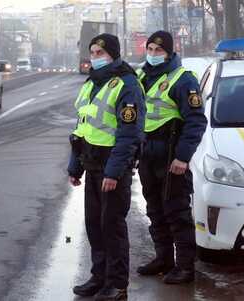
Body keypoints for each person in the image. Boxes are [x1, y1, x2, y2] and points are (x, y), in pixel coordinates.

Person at [67, 33, 145, 300]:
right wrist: (75, 166)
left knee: (112, 227)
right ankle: (99, 277)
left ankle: (117, 284)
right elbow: (81, 129)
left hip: (113, 168)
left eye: (100, 53)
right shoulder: (92, 84)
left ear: (113, 54)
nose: (94, 57)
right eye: (92, 53)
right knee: (94, 226)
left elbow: (129, 134)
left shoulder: (127, 84)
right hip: (92, 165)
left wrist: (114, 172)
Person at [133, 31, 207, 284]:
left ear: (169, 52)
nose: (153, 54)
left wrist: (183, 157)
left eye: (159, 50)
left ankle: (185, 267)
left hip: (170, 156)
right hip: (147, 154)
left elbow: (196, 121)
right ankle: (163, 258)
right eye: (150, 49)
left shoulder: (183, 79)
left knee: (177, 212)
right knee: (154, 209)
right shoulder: (142, 76)